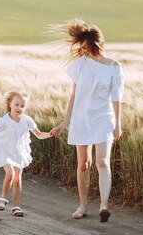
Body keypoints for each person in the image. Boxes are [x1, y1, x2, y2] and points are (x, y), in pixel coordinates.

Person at [49, 18, 124, 223]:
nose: (83, 52)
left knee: (101, 161)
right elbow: (74, 95)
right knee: (84, 164)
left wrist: (118, 124)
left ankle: (104, 206)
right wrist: (65, 122)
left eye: (86, 47)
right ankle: (82, 205)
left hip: (103, 118)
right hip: (81, 118)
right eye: (81, 48)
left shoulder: (114, 67)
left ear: (97, 44)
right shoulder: (80, 65)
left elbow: (116, 98)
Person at [0, 90, 51, 217]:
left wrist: (50, 134)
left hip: (18, 150)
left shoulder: (27, 120)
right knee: (10, 173)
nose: (19, 108)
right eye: (16, 104)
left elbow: (39, 134)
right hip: (4, 149)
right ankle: (3, 198)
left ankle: (16, 206)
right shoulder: (4, 119)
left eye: (23, 106)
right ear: (10, 104)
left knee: (17, 180)